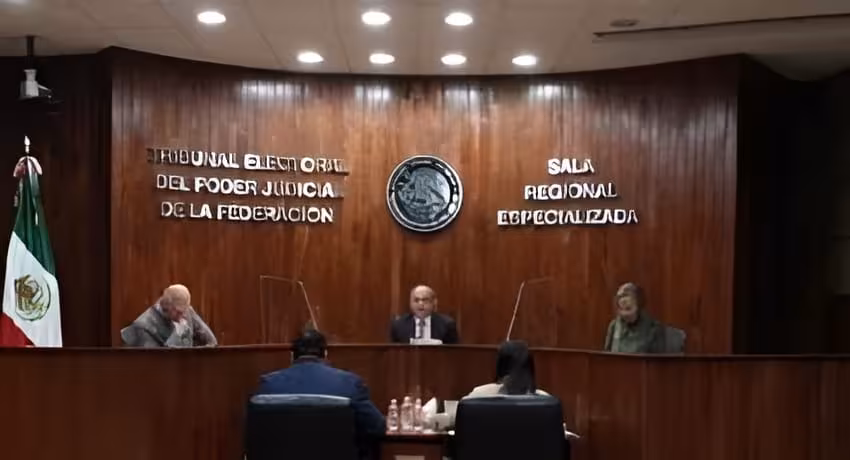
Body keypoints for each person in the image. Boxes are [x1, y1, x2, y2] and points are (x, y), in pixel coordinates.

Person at [256, 330, 385, 458]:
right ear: (325, 353)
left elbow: (257, 434)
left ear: (291, 355)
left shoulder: (268, 385)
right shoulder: (350, 383)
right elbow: (377, 427)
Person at [122, 284, 217, 347]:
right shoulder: (143, 326)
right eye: (179, 312)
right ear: (166, 306)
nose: (184, 315)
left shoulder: (186, 310)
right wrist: (177, 335)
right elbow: (157, 363)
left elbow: (211, 341)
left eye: (186, 310)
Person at [464, 340, 549, 398]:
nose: (519, 378)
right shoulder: (480, 395)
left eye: (523, 372)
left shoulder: (545, 401)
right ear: (502, 374)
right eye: (512, 372)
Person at [603, 282, 664, 353]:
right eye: (620, 297)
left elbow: (657, 358)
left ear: (639, 301)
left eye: (626, 295)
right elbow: (607, 356)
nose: (623, 301)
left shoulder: (653, 328)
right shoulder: (614, 326)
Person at [390, 285, 459, 344]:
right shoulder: (399, 325)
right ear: (410, 303)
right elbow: (394, 352)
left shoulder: (447, 324)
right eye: (416, 300)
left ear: (434, 302)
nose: (421, 304)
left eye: (425, 300)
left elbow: (453, 352)